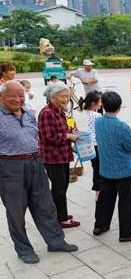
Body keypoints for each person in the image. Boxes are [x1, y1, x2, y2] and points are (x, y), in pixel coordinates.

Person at [0, 81, 78, 264]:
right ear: (1, 96)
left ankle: (56, 241)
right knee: (16, 211)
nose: (18, 99)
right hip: (10, 166)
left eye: (21, 95)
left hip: (36, 162)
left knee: (46, 205)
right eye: (12, 95)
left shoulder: (27, 113)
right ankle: (24, 249)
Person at [93, 92, 131, 242]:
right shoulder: (121, 126)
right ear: (119, 107)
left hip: (105, 167)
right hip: (123, 169)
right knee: (126, 201)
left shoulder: (98, 122)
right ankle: (127, 232)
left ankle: (100, 225)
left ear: (102, 106)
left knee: (104, 198)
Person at [39, 82, 81, 228]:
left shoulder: (58, 110)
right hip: (53, 157)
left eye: (67, 96)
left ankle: (58, 212)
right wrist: (68, 137)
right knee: (59, 188)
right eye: (62, 96)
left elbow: (61, 129)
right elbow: (48, 136)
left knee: (62, 186)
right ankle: (61, 219)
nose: (66, 99)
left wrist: (71, 129)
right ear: (52, 97)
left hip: (62, 155)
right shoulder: (47, 112)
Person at [78, 91, 102, 201]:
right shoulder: (97, 115)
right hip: (97, 144)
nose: (101, 103)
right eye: (100, 101)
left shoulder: (88, 113)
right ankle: (98, 192)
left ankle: (98, 192)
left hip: (91, 144)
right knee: (98, 169)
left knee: (95, 168)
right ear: (93, 103)